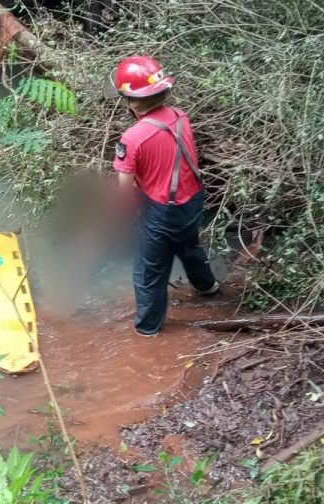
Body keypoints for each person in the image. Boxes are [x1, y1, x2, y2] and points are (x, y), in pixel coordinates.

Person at [107, 55, 220, 337]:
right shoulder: (181, 117)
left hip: (161, 212)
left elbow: (125, 193)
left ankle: (147, 331)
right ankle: (208, 288)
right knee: (189, 244)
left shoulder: (132, 139)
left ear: (130, 100)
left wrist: (127, 217)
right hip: (192, 201)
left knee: (149, 273)